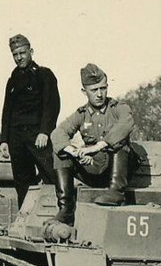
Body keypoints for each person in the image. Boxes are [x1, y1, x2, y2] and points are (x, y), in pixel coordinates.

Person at [49, 63, 136, 223]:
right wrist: (74, 151)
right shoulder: (81, 114)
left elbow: (126, 123)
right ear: (84, 91)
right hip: (94, 169)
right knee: (60, 152)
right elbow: (58, 133)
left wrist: (97, 146)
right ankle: (66, 209)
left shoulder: (118, 108)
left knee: (120, 141)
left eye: (103, 88)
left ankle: (116, 192)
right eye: (94, 90)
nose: (99, 94)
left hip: (116, 169)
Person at [0, 34, 60, 208]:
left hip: (37, 136)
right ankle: (24, 220)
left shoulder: (43, 75)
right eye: (15, 54)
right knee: (22, 183)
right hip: (16, 138)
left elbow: (52, 105)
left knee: (50, 176)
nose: (19, 58)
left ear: (30, 51)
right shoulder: (12, 80)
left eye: (22, 53)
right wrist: (4, 140)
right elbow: (7, 111)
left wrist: (45, 131)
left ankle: (56, 216)